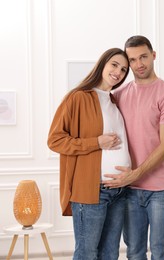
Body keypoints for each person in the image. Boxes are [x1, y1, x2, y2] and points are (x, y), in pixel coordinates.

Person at [102, 35, 164, 260]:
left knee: (160, 251)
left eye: (144, 57)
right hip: (128, 190)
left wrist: (135, 174)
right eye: (133, 59)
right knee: (134, 251)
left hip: (160, 190)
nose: (139, 64)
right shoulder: (119, 95)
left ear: (153, 55)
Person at [47, 48, 131, 260]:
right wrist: (96, 142)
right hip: (92, 191)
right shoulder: (78, 97)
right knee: (87, 253)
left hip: (119, 192)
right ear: (102, 64)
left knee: (110, 253)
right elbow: (54, 140)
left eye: (123, 69)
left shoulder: (114, 101)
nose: (118, 72)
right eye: (114, 64)